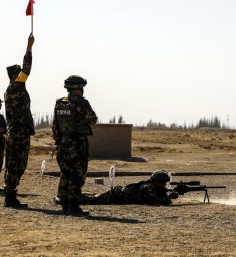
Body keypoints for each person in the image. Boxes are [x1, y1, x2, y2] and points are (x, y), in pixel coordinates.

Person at [53, 75, 98, 216]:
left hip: (63, 143)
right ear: (78, 88)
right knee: (77, 174)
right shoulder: (82, 103)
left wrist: (59, 141)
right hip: (78, 143)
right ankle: (73, 206)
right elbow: (93, 120)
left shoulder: (60, 102)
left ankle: (64, 203)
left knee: (66, 173)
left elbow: (56, 125)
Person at [4, 33, 35, 208]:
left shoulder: (12, 88)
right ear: (14, 75)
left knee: (14, 162)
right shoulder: (16, 86)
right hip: (18, 131)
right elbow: (27, 68)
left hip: (16, 130)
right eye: (19, 73)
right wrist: (29, 47)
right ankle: (10, 196)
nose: (22, 74)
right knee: (17, 163)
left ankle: (10, 194)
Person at [54, 170, 179, 206]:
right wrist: (168, 198)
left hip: (119, 195)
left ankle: (69, 197)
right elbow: (154, 201)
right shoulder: (147, 187)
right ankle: (66, 199)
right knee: (93, 200)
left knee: (93, 197)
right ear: (157, 182)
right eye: (163, 183)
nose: (164, 186)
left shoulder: (152, 186)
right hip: (116, 195)